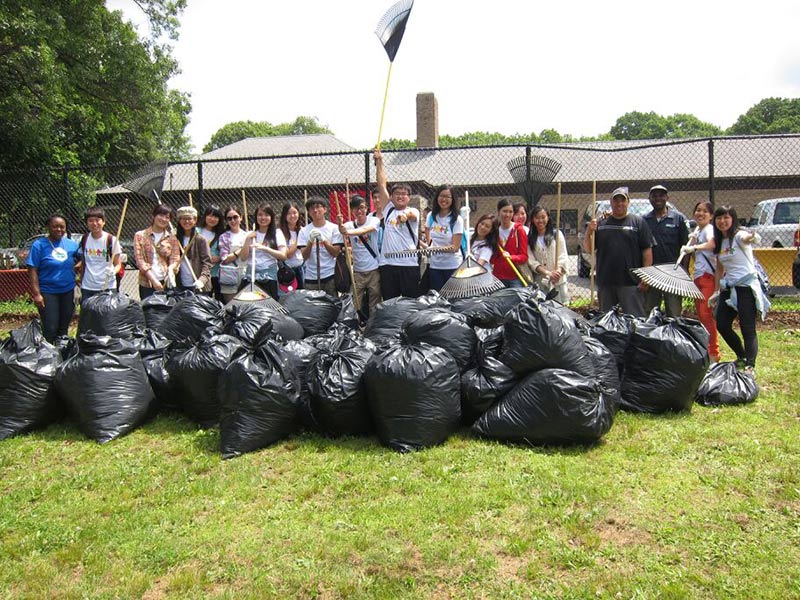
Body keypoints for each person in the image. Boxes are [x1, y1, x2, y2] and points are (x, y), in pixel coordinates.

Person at [708, 205, 770, 378]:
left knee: (747, 328)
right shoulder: (720, 240)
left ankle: (750, 366)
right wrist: (716, 291)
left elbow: (749, 238)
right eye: (719, 218)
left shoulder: (738, 235)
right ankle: (741, 356)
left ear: (733, 219)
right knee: (722, 324)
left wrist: (753, 236)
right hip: (729, 286)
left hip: (745, 287)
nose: (722, 221)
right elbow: (719, 268)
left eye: (726, 218)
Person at [583, 186, 653, 316]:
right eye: (616, 200)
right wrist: (589, 231)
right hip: (606, 282)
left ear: (628, 202)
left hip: (631, 283)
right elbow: (589, 249)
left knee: (635, 321)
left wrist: (646, 277)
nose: (619, 203)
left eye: (623, 200)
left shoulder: (638, 223)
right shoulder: (601, 223)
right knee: (607, 322)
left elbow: (647, 251)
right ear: (611, 202)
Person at [374, 148, 421, 299]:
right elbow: (381, 184)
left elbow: (411, 215)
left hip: (409, 264)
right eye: (397, 194)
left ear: (409, 197)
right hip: (387, 264)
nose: (400, 196)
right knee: (390, 300)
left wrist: (405, 215)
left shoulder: (414, 210)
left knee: (410, 301)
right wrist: (379, 161)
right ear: (392, 197)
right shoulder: (388, 209)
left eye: (404, 194)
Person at [26, 214, 80, 342]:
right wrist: (37, 294)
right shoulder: (39, 245)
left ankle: (61, 354)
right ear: (48, 227)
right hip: (48, 292)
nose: (59, 229)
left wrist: (79, 265)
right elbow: (32, 269)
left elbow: (83, 259)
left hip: (68, 291)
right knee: (50, 327)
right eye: (55, 226)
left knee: (63, 328)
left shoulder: (72, 245)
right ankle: (48, 356)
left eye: (62, 227)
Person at [680, 200, 721, 363]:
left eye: (705, 211)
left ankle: (713, 354)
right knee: (702, 317)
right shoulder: (699, 230)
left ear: (711, 215)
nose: (700, 214)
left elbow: (714, 243)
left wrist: (694, 248)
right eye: (698, 210)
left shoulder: (709, 230)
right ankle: (706, 350)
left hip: (708, 278)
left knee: (706, 316)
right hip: (698, 278)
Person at [643, 184, 689, 317]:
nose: (658, 198)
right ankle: (651, 337)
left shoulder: (678, 219)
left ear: (667, 197)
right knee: (650, 314)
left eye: (661, 195)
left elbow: (685, 248)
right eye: (654, 196)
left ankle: (672, 337)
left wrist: (684, 273)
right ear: (650, 199)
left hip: (673, 274)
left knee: (674, 313)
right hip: (652, 274)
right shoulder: (644, 220)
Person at [339, 194, 381, 318]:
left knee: (375, 301)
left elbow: (365, 230)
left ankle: (373, 325)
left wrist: (348, 232)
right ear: (352, 211)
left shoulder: (374, 220)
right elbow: (342, 231)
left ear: (367, 208)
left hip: (373, 269)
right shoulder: (348, 225)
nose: (359, 211)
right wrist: (340, 225)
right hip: (357, 271)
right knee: (355, 302)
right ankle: (357, 325)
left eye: (362, 207)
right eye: (356, 208)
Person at [239, 204, 287, 300]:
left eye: (266, 215)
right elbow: (243, 258)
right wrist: (248, 239)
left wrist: (264, 248)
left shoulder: (277, 233)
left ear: (271, 217)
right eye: (260, 215)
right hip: (251, 276)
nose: (263, 218)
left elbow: (283, 256)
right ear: (256, 217)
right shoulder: (249, 234)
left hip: (269, 277)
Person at [297, 196, 343, 297]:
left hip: (330, 275)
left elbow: (335, 252)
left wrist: (324, 240)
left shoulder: (334, 228)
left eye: (318, 207)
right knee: (314, 308)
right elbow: (304, 256)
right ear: (308, 212)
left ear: (325, 209)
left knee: (332, 305)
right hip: (311, 277)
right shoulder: (304, 231)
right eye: (312, 208)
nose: (315, 210)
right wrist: (310, 241)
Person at [133, 204, 181, 300]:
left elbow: (175, 258)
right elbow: (140, 260)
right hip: (147, 282)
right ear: (153, 216)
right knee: (148, 312)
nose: (163, 219)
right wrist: (154, 280)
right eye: (161, 215)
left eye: (167, 217)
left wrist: (171, 270)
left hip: (166, 281)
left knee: (165, 312)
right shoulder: (140, 235)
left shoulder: (172, 238)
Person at [75, 207, 122, 304]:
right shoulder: (85, 239)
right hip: (88, 287)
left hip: (107, 286)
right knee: (89, 317)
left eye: (97, 220)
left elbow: (118, 264)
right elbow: (84, 261)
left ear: (103, 222)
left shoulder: (111, 240)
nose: (94, 223)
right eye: (90, 221)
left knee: (106, 318)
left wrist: (113, 271)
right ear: (86, 223)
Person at [425, 185, 464, 291]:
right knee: (437, 299)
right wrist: (428, 245)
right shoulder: (431, 216)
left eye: (448, 197)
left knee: (453, 299)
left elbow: (455, 247)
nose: (444, 199)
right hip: (435, 266)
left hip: (452, 266)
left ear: (453, 199)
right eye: (441, 196)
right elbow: (428, 232)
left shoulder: (457, 219)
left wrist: (435, 249)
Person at [527, 205, 568, 303]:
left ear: (548, 218)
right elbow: (531, 261)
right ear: (532, 219)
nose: (540, 220)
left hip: (558, 281)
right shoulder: (529, 238)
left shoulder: (557, 234)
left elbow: (563, 255)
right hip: (541, 282)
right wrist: (548, 273)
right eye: (537, 218)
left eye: (543, 217)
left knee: (561, 310)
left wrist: (557, 272)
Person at [491, 198, 529, 288]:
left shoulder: (518, 230)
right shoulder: (494, 231)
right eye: (504, 211)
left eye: (510, 212)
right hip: (498, 277)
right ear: (498, 211)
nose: (507, 215)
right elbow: (492, 257)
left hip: (515, 277)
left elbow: (524, 256)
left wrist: (511, 257)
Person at [175, 206, 212, 294]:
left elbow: (207, 263)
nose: (186, 221)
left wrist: (202, 280)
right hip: (180, 284)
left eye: (189, 218)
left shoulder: (200, 239)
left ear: (195, 220)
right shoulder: (175, 239)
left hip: (198, 285)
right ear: (179, 221)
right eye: (183, 218)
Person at [218, 205, 249, 303]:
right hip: (228, 273)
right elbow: (225, 259)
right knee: (230, 306)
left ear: (241, 218)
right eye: (229, 218)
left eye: (235, 217)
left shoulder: (247, 235)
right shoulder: (224, 237)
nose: (233, 220)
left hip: (245, 272)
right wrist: (242, 249)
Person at [198, 205, 225, 301]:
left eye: (216, 217)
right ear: (205, 216)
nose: (212, 219)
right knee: (204, 300)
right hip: (201, 272)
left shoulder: (222, 234)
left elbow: (226, 251)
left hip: (216, 272)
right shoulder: (197, 232)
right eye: (210, 215)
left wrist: (219, 257)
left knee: (219, 300)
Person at [280, 201, 306, 290]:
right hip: (288, 271)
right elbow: (289, 254)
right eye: (289, 213)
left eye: (295, 213)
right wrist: (299, 239)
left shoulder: (303, 230)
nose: (292, 216)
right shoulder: (280, 232)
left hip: (302, 268)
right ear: (284, 215)